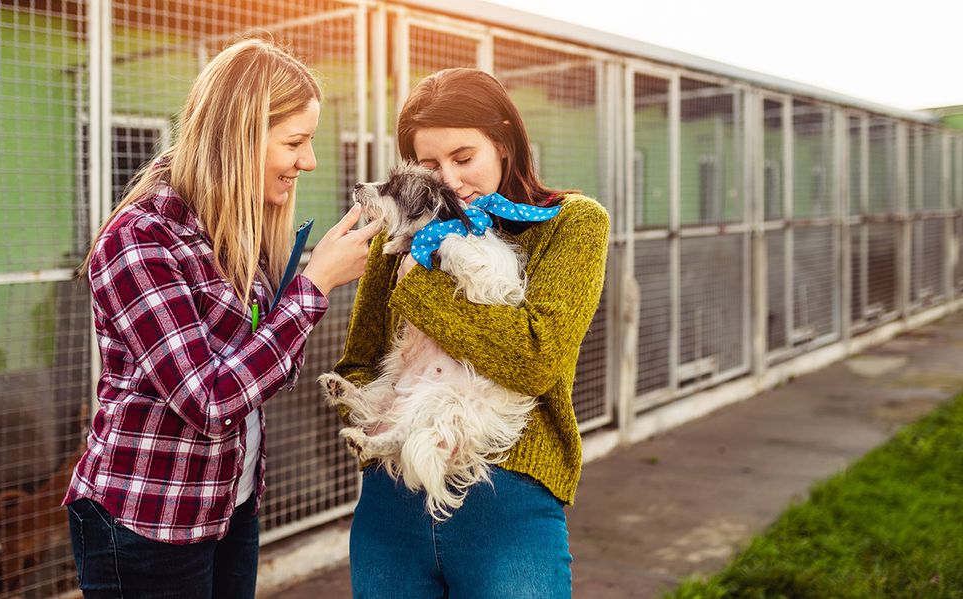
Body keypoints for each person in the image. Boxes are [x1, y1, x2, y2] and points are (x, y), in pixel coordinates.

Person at [63, 38, 379, 598]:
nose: (309, 161)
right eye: (295, 142)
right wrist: (314, 286)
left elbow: (256, 371)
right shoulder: (142, 239)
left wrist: (299, 292)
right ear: (240, 137)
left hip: (228, 502)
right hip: (149, 520)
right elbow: (209, 402)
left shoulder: (233, 229)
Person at [333, 67, 610, 597]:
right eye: (428, 165)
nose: (449, 181)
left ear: (504, 142)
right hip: (393, 498)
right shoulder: (400, 232)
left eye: (464, 159)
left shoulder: (571, 224)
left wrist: (422, 290)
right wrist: (387, 433)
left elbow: (534, 359)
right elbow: (359, 359)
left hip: (507, 501)